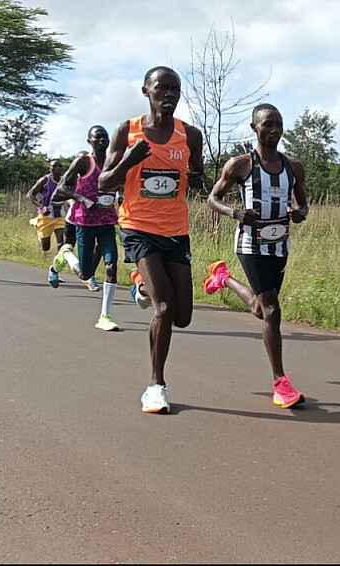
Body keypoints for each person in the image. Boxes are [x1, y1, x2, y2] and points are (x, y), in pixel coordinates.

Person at [98, 66, 205, 414]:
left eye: (175, 89)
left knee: (183, 317)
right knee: (164, 308)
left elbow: (199, 177)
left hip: (175, 230)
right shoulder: (127, 131)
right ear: (146, 91)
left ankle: (141, 286)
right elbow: (104, 183)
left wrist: (198, 179)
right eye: (162, 88)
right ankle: (156, 386)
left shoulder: (190, 135)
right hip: (138, 227)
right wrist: (129, 160)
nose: (169, 94)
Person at [205, 103, 308, 409]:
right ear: (254, 128)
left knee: (261, 309)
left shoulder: (294, 167)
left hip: (279, 246)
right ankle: (280, 384)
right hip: (250, 244)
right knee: (273, 311)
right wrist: (235, 213)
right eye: (267, 125)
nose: (274, 130)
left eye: (279, 125)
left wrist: (299, 212)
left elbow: (303, 203)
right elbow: (213, 198)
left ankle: (223, 279)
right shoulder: (241, 165)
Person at [52, 125, 122, 330]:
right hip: (85, 222)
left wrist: (121, 195)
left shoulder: (114, 162)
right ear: (89, 141)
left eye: (105, 137)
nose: (102, 140)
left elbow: (121, 184)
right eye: (97, 137)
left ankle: (104, 316)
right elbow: (61, 188)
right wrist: (82, 199)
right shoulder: (84, 162)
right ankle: (65, 254)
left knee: (111, 265)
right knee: (85, 274)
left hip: (107, 221)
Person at [26, 159, 66, 254]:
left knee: (61, 243)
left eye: (60, 166)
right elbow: (29, 195)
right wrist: (41, 207)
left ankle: (57, 261)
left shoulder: (64, 180)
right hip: (46, 215)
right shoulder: (45, 180)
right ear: (50, 168)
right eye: (55, 166)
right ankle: (37, 224)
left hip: (60, 215)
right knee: (45, 247)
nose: (58, 168)